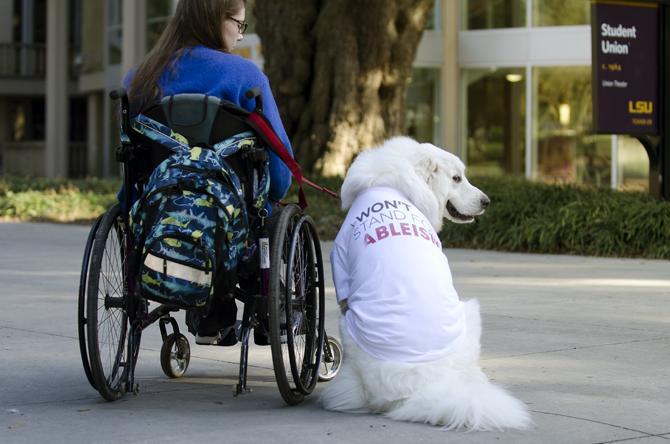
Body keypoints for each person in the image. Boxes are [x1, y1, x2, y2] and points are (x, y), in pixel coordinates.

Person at [124, 0, 294, 345]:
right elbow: (279, 174)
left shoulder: (139, 77)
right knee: (269, 220)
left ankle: (209, 313)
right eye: (239, 24)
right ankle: (242, 307)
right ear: (217, 19)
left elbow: (132, 161)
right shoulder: (245, 77)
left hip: (157, 216)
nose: (240, 36)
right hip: (232, 218)